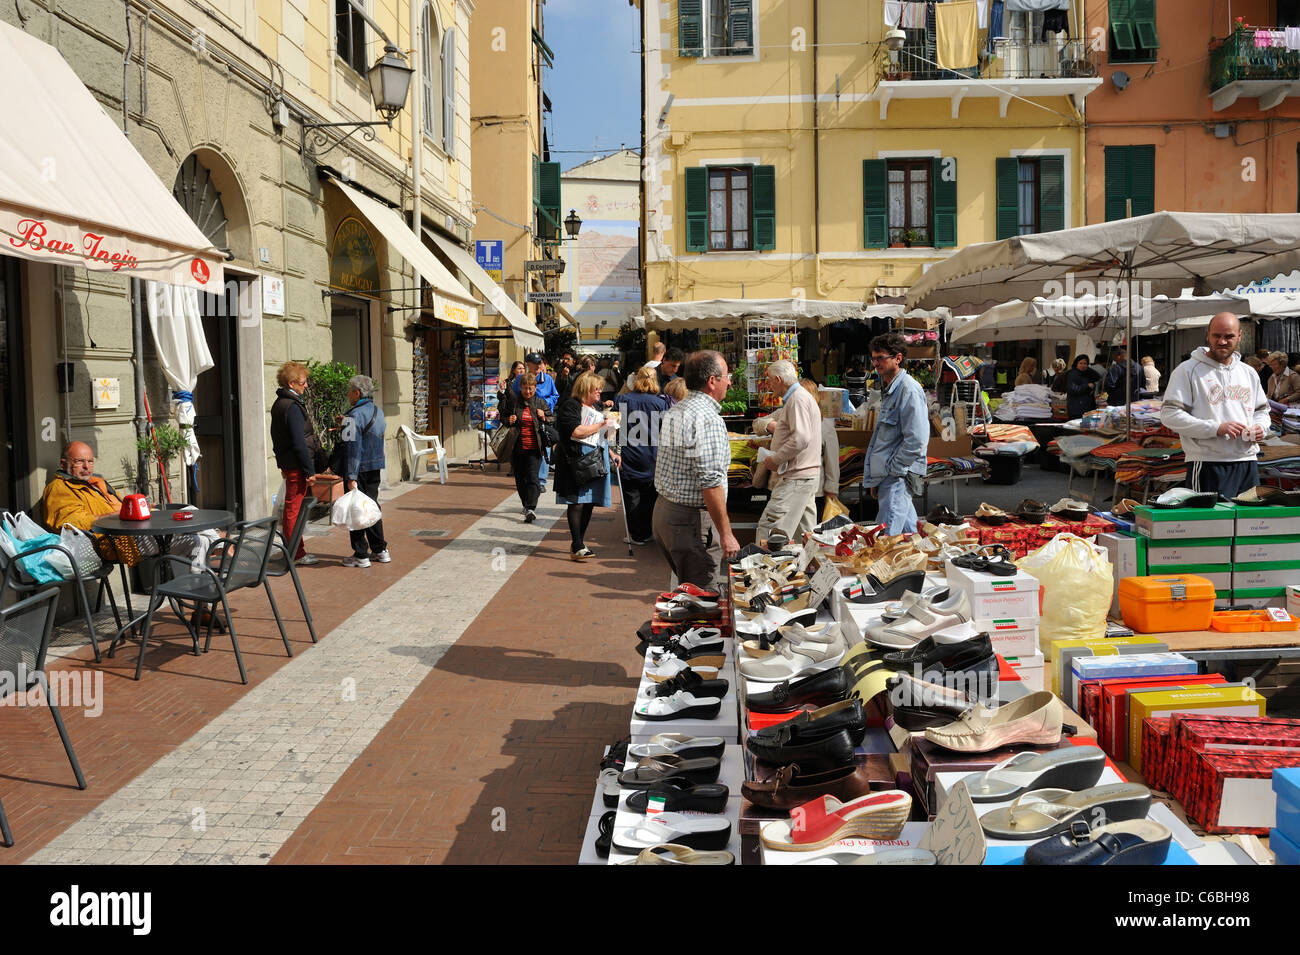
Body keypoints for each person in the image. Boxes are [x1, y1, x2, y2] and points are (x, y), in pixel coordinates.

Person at [1160, 313, 1272, 500]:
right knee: (1210, 526)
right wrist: (1216, 428)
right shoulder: (1187, 370)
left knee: (1248, 525)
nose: (1222, 341)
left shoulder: (1248, 372)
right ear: (1208, 335)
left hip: (1247, 461)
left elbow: (1262, 410)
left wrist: (1261, 427)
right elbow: (1169, 414)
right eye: (1216, 336)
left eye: (1228, 336)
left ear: (1239, 336)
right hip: (1207, 462)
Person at [653, 350, 740, 587]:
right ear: (712, 380)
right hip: (689, 521)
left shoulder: (677, 410)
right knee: (705, 598)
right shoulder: (707, 419)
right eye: (726, 376)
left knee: (691, 592)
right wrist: (726, 533)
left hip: (667, 514)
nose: (730, 381)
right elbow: (710, 482)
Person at [862, 333, 929, 536]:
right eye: (873, 358)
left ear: (898, 358)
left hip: (897, 474)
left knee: (884, 539)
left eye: (880, 358)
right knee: (911, 537)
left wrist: (894, 470)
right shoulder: (892, 388)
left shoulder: (908, 389)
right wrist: (878, 476)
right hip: (890, 473)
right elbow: (884, 440)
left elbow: (917, 439)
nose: (876, 363)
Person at [753, 359, 822, 546]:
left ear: (778, 379)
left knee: (769, 531)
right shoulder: (800, 398)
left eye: (769, 380)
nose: (768, 385)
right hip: (804, 476)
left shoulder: (797, 399)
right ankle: (803, 570)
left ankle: (765, 571)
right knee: (805, 535)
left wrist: (776, 459)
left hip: (796, 477)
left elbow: (801, 438)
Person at [554, 372, 621, 560]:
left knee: (589, 502)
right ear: (586, 388)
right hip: (576, 461)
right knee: (576, 502)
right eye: (597, 388)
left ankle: (579, 542)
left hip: (594, 460)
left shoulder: (596, 407)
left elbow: (599, 437)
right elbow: (576, 431)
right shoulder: (571, 406)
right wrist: (602, 424)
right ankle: (577, 544)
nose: (600, 391)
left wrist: (611, 452)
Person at [40, 441, 139, 565]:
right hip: (103, 543)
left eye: (90, 461)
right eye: (79, 461)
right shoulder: (59, 487)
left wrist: (136, 509)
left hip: (125, 532)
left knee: (166, 532)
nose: (86, 466)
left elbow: (119, 505)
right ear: (63, 464)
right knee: (162, 540)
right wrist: (113, 516)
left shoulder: (97, 482)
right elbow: (70, 523)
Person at [270, 360, 320, 565]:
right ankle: (296, 554)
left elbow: (277, 437)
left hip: (289, 463)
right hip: (296, 466)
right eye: (303, 382)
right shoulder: (291, 406)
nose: (306, 385)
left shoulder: (280, 403)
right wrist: (309, 471)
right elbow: (298, 441)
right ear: (291, 384)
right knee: (294, 510)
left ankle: (295, 551)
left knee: (293, 509)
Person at [338, 375, 389, 568]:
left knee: (356, 510)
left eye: (349, 391)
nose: (347, 394)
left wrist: (351, 477)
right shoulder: (378, 411)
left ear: (357, 393)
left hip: (358, 468)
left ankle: (361, 554)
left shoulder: (353, 415)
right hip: (374, 465)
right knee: (371, 507)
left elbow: (351, 448)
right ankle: (380, 549)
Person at [617, 366, 671, 545]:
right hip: (653, 455)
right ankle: (647, 530)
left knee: (631, 495)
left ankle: (636, 533)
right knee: (650, 495)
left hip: (630, 453)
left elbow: (614, 428)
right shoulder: (661, 403)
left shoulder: (623, 399)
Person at [499, 372, 550, 523]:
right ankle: (525, 504)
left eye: (531, 388)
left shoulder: (540, 403)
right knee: (521, 479)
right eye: (525, 388)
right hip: (518, 447)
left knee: (533, 478)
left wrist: (544, 416)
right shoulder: (514, 402)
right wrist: (509, 419)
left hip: (535, 447)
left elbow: (552, 419)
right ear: (520, 388)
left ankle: (531, 508)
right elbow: (502, 416)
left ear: (535, 388)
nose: (528, 392)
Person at [513, 352, 560, 490]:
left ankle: (541, 481)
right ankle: (529, 479)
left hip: (541, 417)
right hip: (526, 418)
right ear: (528, 365)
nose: (538, 365)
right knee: (528, 448)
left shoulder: (548, 379)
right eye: (535, 363)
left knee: (544, 446)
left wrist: (545, 403)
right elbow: (514, 396)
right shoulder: (520, 379)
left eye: (540, 362)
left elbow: (555, 395)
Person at [801, 379, 842, 515]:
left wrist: (831, 489)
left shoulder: (825, 426)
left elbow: (832, 461)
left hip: (815, 490)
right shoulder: (788, 417)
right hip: (791, 488)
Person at [1064, 354, 1101, 420]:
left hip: (1086, 407)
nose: (1083, 365)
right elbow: (1073, 389)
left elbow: (1097, 376)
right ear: (1076, 364)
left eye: (1085, 363)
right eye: (1080, 363)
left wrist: (1087, 368)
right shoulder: (1072, 374)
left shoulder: (1086, 373)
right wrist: (1087, 386)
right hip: (1076, 409)